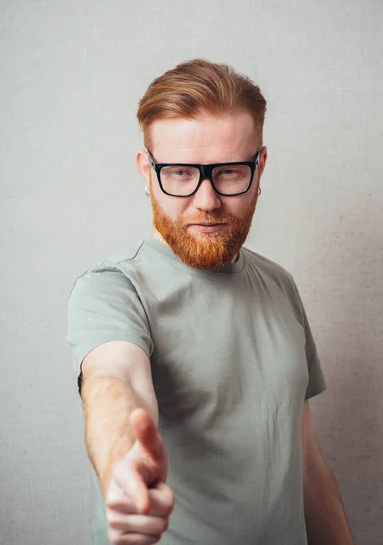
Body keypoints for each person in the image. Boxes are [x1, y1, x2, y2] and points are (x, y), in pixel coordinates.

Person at [67, 59, 354, 545]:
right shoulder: (113, 287)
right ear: (146, 170)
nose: (206, 199)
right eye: (179, 172)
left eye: (228, 172)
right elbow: (114, 383)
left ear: (259, 167)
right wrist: (122, 468)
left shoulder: (280, 286)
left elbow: (305, 462)